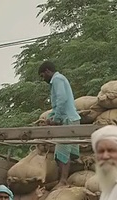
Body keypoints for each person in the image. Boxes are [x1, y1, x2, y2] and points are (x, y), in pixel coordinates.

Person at [38, 61, 81, 189]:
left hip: (68, 120)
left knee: (61, 153)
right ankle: (64, 180)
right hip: (70, 119)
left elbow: (62, 99)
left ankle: (63, 181)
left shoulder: (57, 79)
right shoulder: (59, 80)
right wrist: (51, 117)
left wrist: (56, 119)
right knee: (64, 152)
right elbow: (57, 105)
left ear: (47, 71)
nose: (43, 79)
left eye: (42, 75)